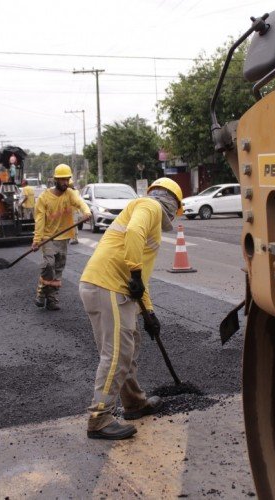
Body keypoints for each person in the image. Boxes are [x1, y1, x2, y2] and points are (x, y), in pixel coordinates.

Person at [79, 177, 183, 440]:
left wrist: (149, 312)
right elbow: (134, 234)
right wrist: (134, 273)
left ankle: (134, 403)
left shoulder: (149, 215)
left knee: (129, 346)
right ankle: (99, 418)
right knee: (116, 354)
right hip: (109, 286)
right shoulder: (150, 206)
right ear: (173, 204)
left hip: (111, 286)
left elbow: (141, 280)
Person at [31, 164, 91, 311]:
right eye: (62, 180)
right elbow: (40, 220)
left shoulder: (70, 194)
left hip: (63, 237)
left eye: (67, 179)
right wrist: (37, 240)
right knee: (49, 264)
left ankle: (52, 299)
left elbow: (80, 202)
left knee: (58, 269)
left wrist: (86, 212)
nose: (65, 182)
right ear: (56, 180)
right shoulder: (44, 198)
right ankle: (41, 293)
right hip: (48, 237)